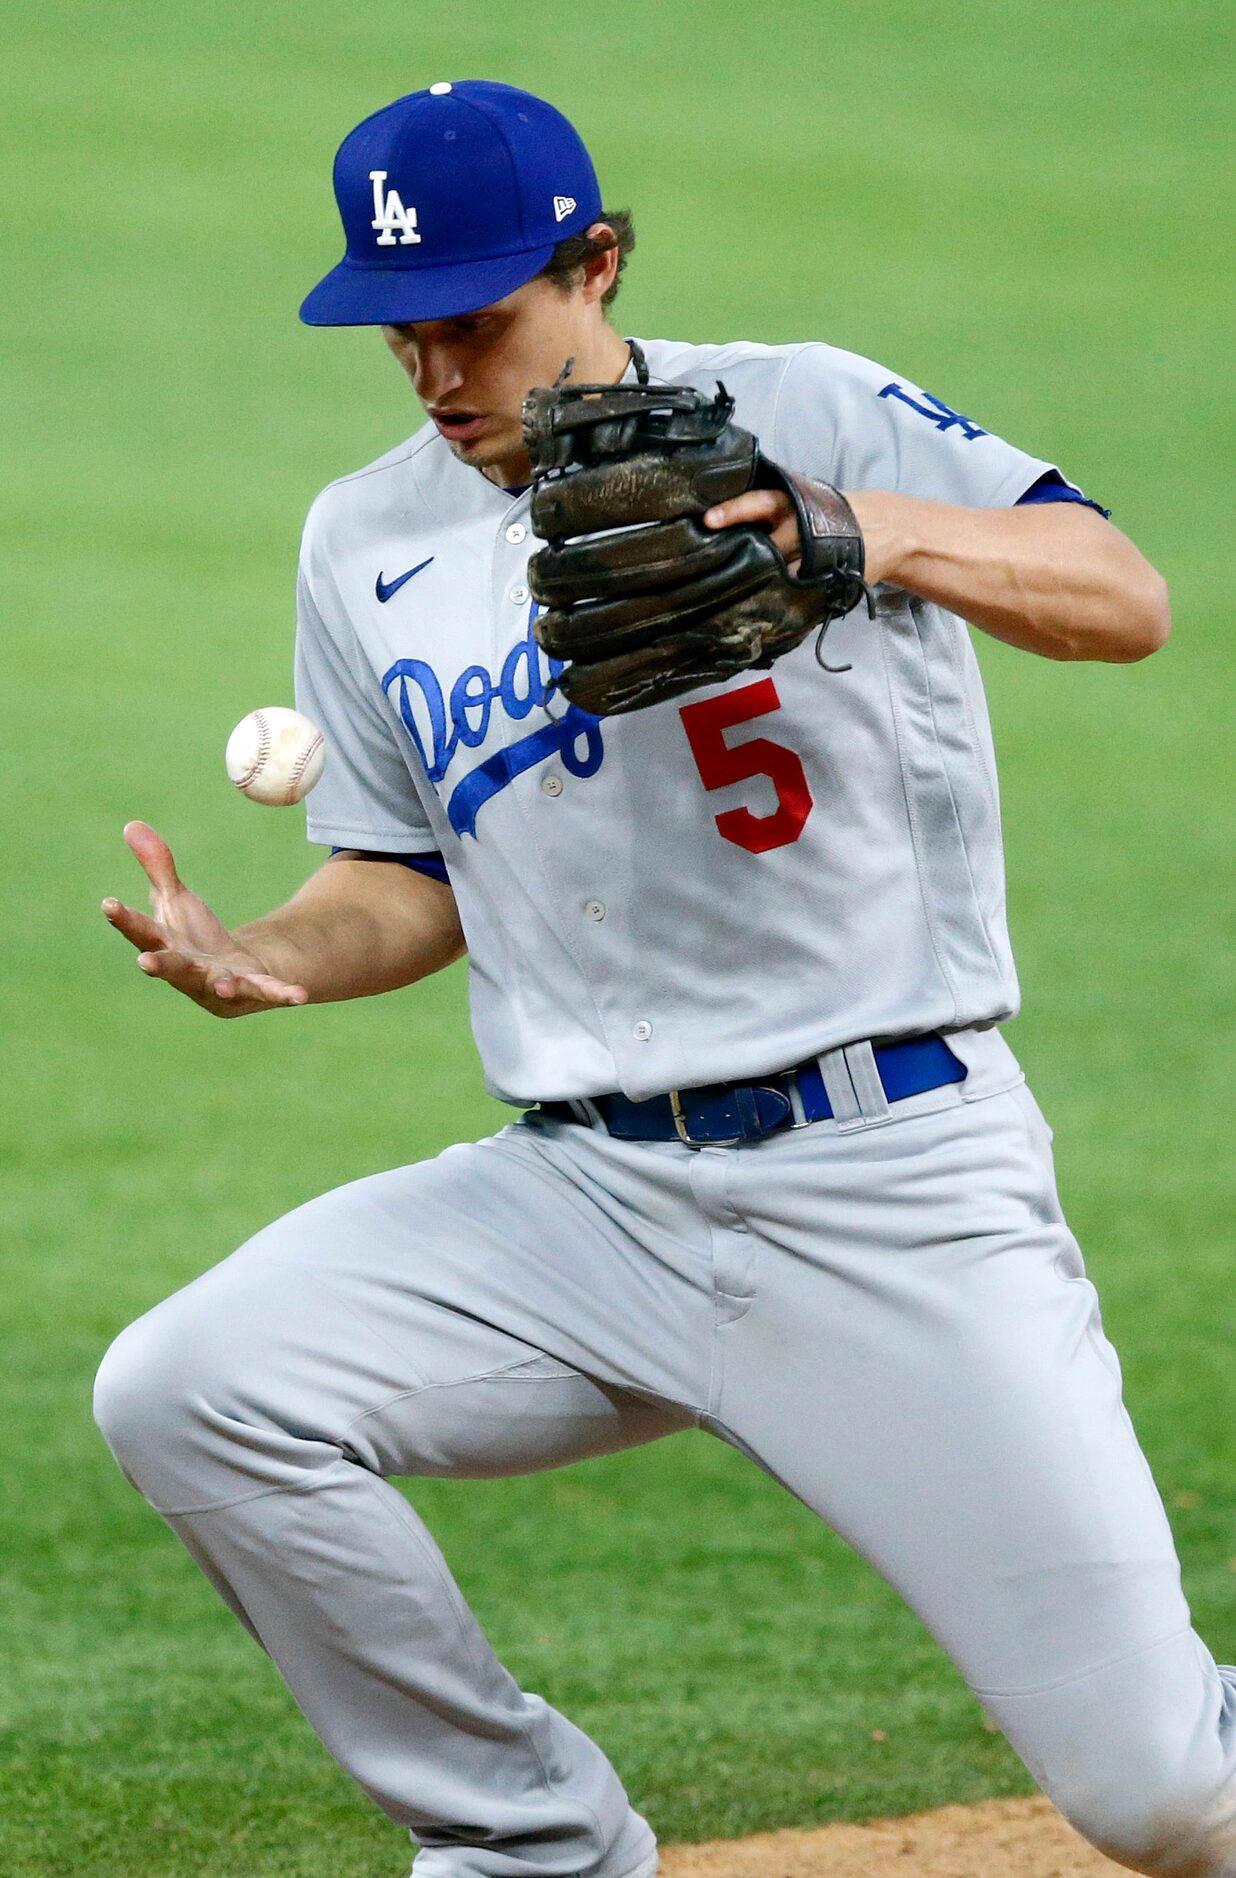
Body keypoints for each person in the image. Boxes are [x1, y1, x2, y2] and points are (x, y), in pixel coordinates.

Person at [92, 79, 1232, 1878]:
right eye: (407, 339)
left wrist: (849, 531)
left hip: (889, 1184)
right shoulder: (363, 538)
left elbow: (1120, 589)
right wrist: (268, 956)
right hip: (585, 1200)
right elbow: (399, 876)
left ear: (597, 262)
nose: (443, 378)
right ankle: (532, 1838)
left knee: (1165, 1795)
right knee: (194, 1383)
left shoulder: (806, 407)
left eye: (482, 322)